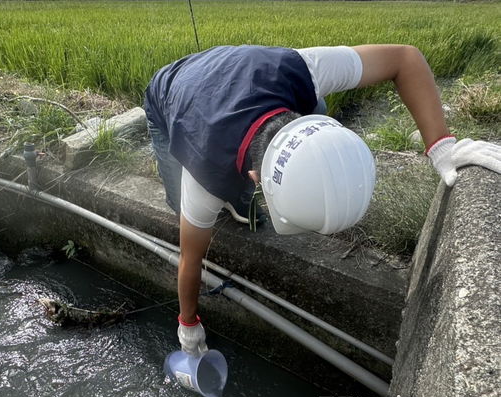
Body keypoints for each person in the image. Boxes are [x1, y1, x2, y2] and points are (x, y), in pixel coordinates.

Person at [144, 44, 501, 357]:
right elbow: (190, 259)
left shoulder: (299, 71)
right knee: (183, 206)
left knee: (314, 104)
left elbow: (404, 58)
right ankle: (228, 202)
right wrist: (187, 323)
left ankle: (236, 202)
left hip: (243, 70)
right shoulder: (203, 172)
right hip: (169, 89)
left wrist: (440, 145)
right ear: (258, 178)